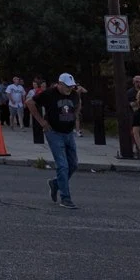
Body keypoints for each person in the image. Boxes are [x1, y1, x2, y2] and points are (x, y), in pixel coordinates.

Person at [28, 73, 82, 209]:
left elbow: (78, 103)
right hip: (54, 132)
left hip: (68, 132)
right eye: (67, 87)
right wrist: (41, 122)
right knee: (62, 165)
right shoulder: (49, 94)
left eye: (71, 87)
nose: (69, 89)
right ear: (60, 84)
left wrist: (75, 115)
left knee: (73, 164)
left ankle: (56, 183)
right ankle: (65, 198)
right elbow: (29, 102)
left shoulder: (74, 94)